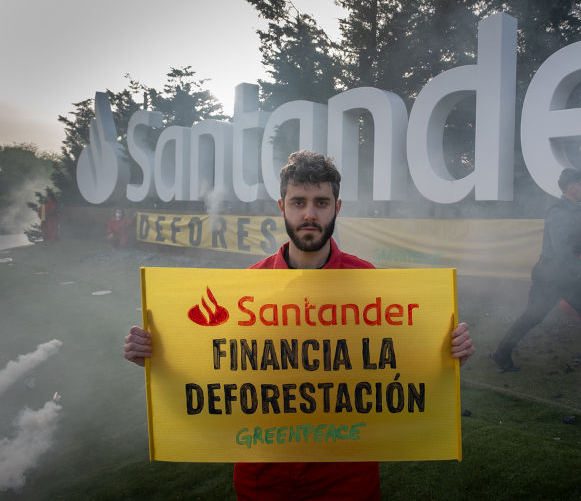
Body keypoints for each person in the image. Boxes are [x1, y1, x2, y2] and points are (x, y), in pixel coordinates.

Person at [123, 150, 475, 500]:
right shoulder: (247, 287)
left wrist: (446, 348)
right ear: (282, 208)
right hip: (263, 474)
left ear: (337, 208)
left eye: (321, 202)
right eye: (299, 202)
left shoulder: (368, 280)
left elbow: (402, 359)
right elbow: (214, 365)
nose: (309, 214)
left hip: (347, 476)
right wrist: (159, 356)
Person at [490, 168, 581, 378]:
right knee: (552, 315)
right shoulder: (559, 212)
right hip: (553, 274)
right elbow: (561, 249)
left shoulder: (573, 210)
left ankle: (502, 353)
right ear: (571, 187)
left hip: (558, 274)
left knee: (548, 315)